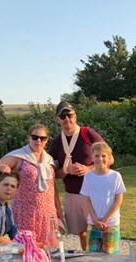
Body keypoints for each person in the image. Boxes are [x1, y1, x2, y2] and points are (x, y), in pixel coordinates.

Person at [0, 124, 62, 244]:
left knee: (49, 249)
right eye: (35, 137)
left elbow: (52, 187)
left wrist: (59, 212)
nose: (38, 141)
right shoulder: (19, 156)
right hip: (25, 212)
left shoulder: (49, 160)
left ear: (47, 140)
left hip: (47, 213)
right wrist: (2, 167)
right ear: (29, 138)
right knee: (25, 249)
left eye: (42, 138)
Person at [48, 101, 104, 251]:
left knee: (99, 230)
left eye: (70, 115)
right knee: (82, 233)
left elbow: (109, 158)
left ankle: (102, 261)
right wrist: (67, 171)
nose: (67, 119)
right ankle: (86, 261)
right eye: (63, 116)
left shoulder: (88, 134)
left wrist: (88, 168)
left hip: (94, 192)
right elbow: (53, 174)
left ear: (75, 116)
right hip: (72, 194)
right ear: (57, 119)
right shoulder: (56, 142)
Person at [79, 142, 126, 254]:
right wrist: (95, 220)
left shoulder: (115, 176)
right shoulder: (88, 176)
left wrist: (105, 219)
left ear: (109, 157)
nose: (100, 159)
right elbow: (87, 199)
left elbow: (118, 200)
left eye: (103, 156)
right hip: (93, 223)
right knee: (92, 254)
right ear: (92, 158)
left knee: (111, 254)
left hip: (111, 223)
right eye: (96, 156)